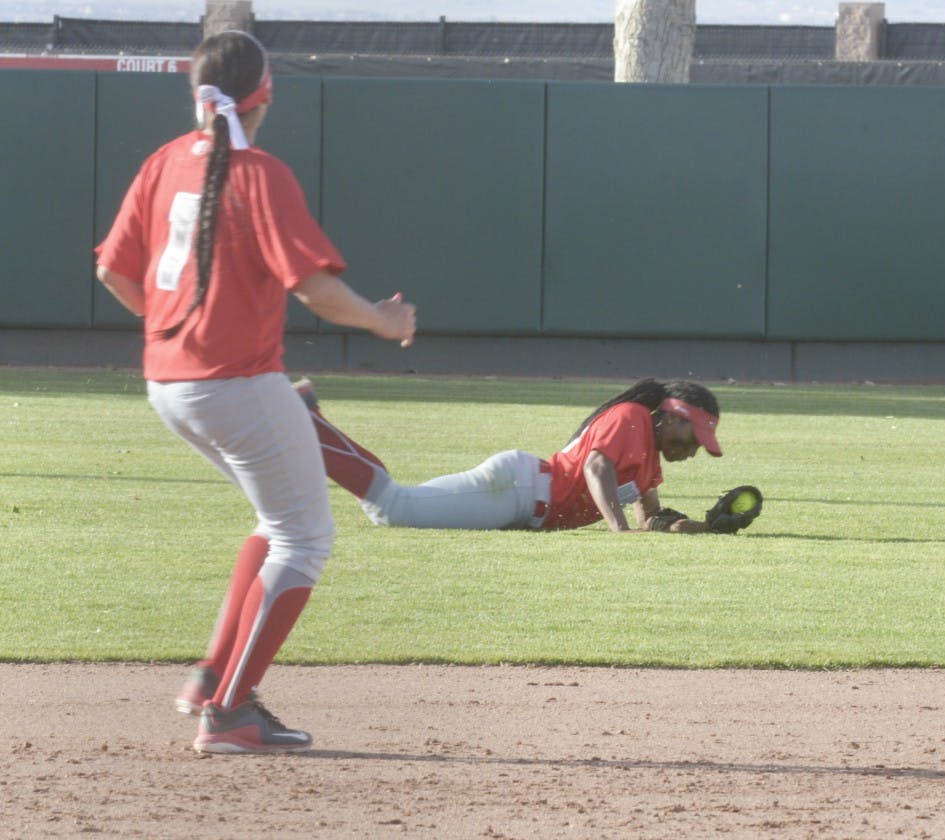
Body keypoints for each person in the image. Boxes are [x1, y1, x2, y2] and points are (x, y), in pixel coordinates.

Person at [94, 30, 416, 754]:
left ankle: (211, 677)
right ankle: (231, 712)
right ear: (263, 96)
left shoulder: (165, 160)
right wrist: (383, 319)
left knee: (279, 521)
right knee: (306, 538)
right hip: (231, 382)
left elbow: (116, 275)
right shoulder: (259, 171)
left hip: (169, 383)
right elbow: (315, 291)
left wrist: (181, 328)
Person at [293, 377, 723, 534]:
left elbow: (653, 520)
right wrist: (617, 529)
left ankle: (313, 422)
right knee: (390, 509)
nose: (694, 451)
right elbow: (596, 467)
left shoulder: (650, 461)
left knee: (397, 502)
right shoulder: (631, 417)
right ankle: (310, 424)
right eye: (694, 437)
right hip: (517, 489)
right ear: (672, 416)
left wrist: (708, 526)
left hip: (519, 496)